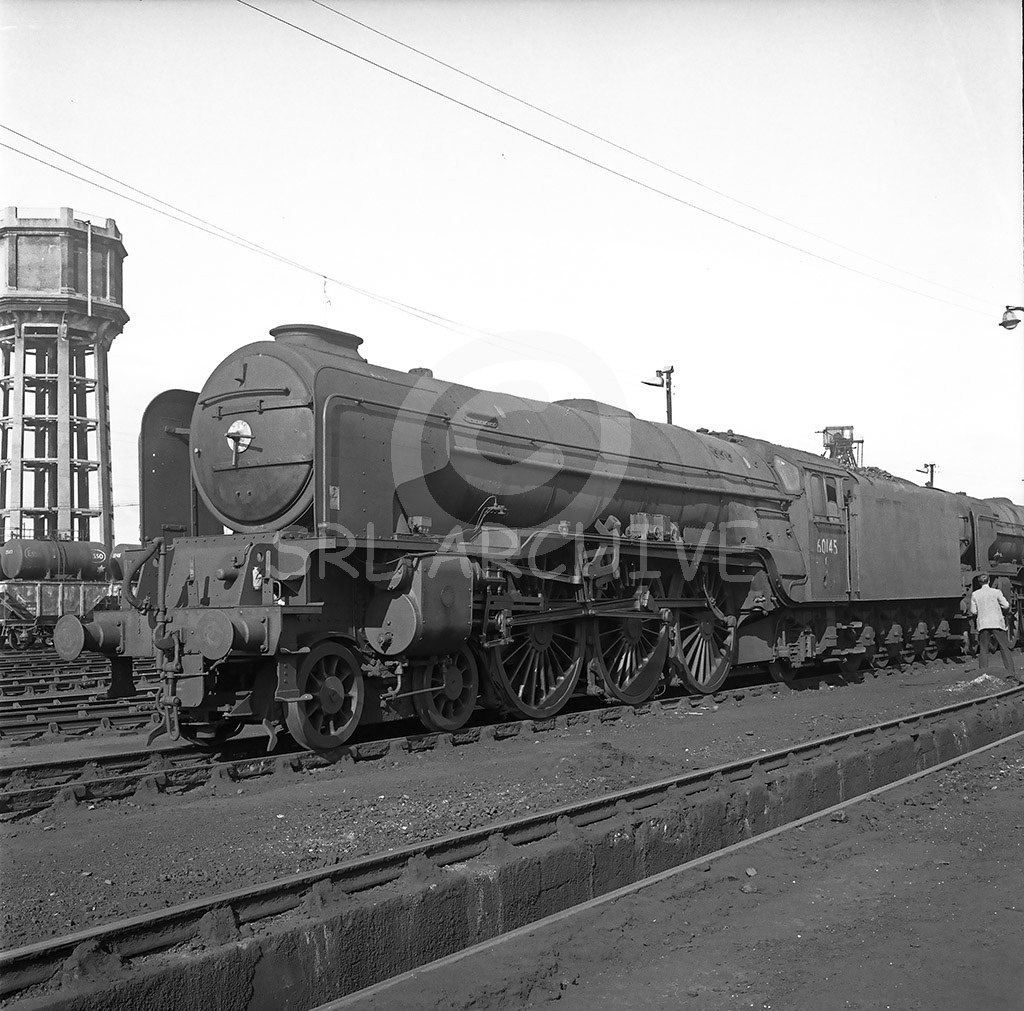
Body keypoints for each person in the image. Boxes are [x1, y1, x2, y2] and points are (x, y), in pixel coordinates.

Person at [970, 574, 1015, 674]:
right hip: (996, 623)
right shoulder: (996, 592)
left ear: (979, 582)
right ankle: (1010, 671)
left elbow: (973, 611)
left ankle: (983, 673)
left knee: (983, 649)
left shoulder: (975, 594)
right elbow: (1006, 605)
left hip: (983, 624)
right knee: (1004, 647)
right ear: (989, 581)